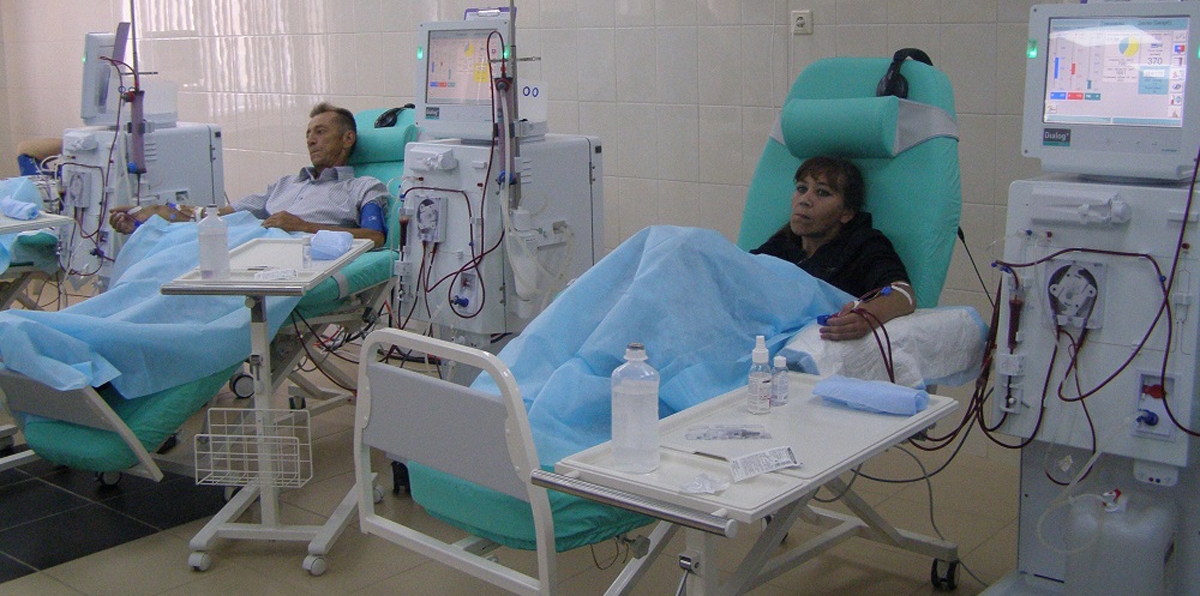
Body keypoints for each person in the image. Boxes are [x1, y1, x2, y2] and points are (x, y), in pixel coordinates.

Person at [108, 102, 388, 248]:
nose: (311, 140)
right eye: (307, 134)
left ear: (348, 138)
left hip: (291, 258)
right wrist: (154, 213)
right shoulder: (284, 185)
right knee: (167, 243)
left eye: (321, 132)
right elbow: (217, 215)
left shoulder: (363, 187)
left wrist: (304, 226)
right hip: (247, 247)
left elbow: (375, 237)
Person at [751, 156, 915, 341]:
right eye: (801, 189)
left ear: (847, 213)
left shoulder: (863, 245)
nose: (804, 200)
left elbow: (903, 294)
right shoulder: (783, 243)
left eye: (822, 192)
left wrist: (867, 316)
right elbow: (742, 275)